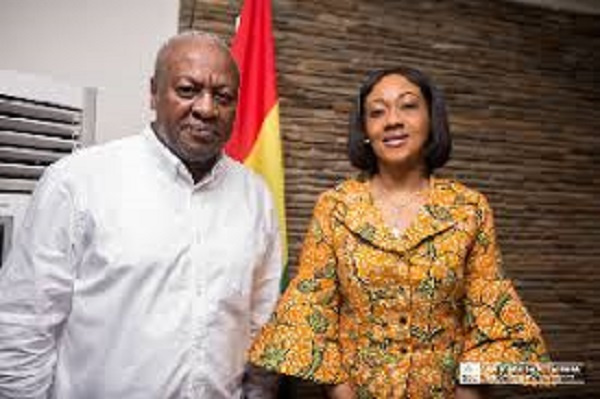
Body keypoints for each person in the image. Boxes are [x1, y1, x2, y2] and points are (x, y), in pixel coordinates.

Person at [0, 31, 281, 399]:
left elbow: (261, 326)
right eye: (187, 90)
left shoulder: (255, 197)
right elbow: (24, 326)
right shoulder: (77, 182)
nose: (206, 108)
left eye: (223, 97)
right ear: (153, 92)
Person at [248, 67, 550, 398]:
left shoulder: (469, 209)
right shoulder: (335, 207)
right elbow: (310, 308)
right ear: (365, 130)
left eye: (408, 106)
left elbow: (490, 311)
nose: (392, 120)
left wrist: (467, 394)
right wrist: (341, 392)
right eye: (377, 112)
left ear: (431, 120)